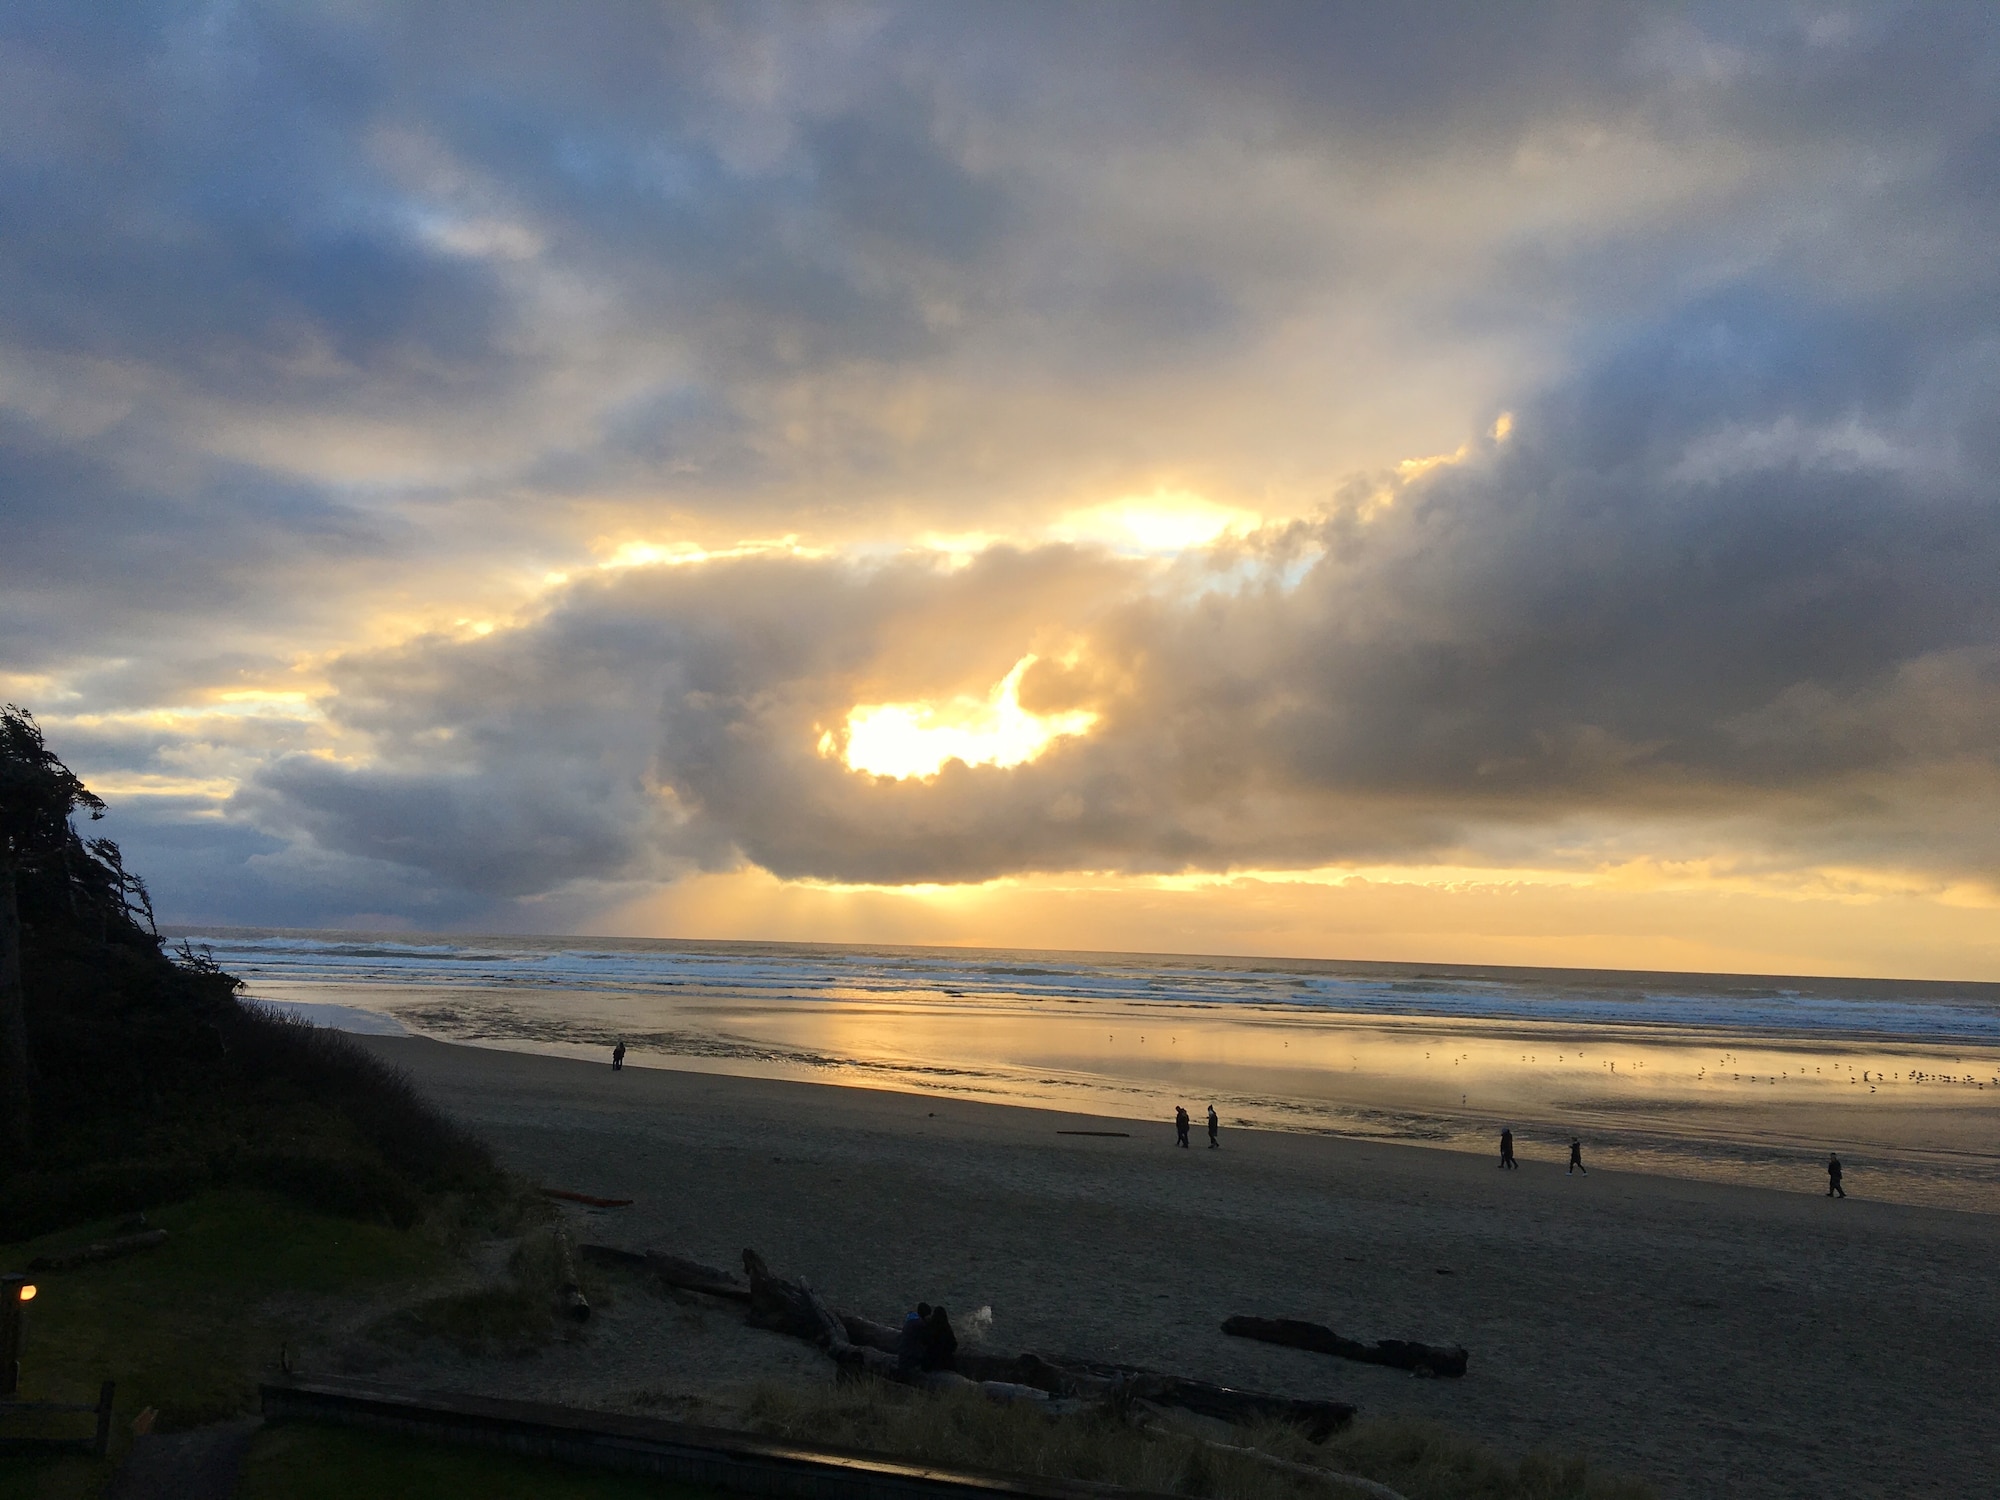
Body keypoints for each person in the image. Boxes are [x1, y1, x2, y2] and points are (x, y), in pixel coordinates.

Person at [899, 1302, 933, 1373]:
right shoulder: (921, 1325)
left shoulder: (910, 1321)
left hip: (903, 1356)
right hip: (911, 1359)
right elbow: (927, 1341)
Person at [923, 1304, 959, 1371]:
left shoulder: (929, 1326)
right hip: (944, 1360)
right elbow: (954, 1345)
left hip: (930, 1360)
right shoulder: (947, 1328)